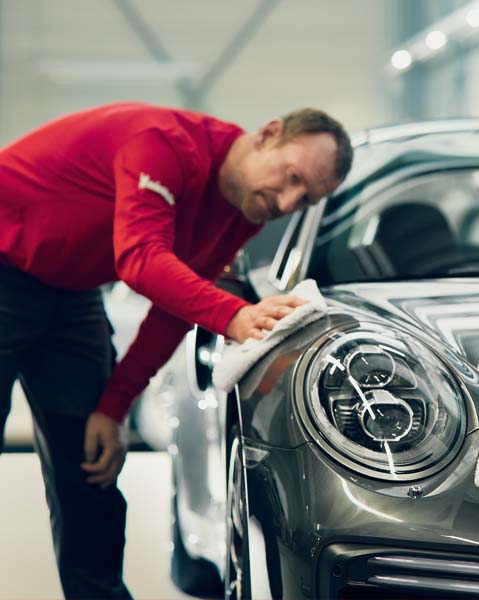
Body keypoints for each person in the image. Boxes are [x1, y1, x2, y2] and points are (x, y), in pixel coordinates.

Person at [0, 101, 352, 598]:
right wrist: (233, 314)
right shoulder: (163, 144)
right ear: (268, 133)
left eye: (306, 198)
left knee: (91, 467)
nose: (289, 201)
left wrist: (113, 407)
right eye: (293, 177)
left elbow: (172, 311)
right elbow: (140, 258)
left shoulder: (243, 210)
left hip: (70, 292)